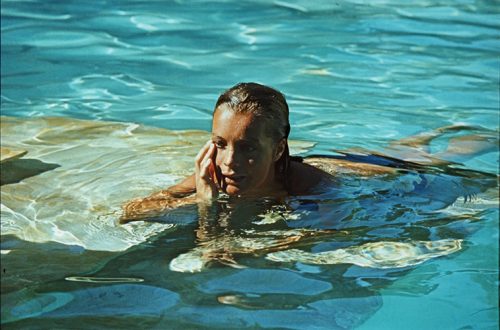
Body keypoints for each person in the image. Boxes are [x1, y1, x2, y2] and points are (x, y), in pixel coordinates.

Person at [121, 82, 497, 222]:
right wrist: (204, 199)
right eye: (220, 143)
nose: (230, 161)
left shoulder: (316, 189)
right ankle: (430, 135)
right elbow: (132, 212)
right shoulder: (217, 168)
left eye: (248, 147)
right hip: (342, 157)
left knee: (441, 159)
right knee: (408, 150)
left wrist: (209, 211)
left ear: (278, 147)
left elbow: (325, 234)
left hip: (380, 175)